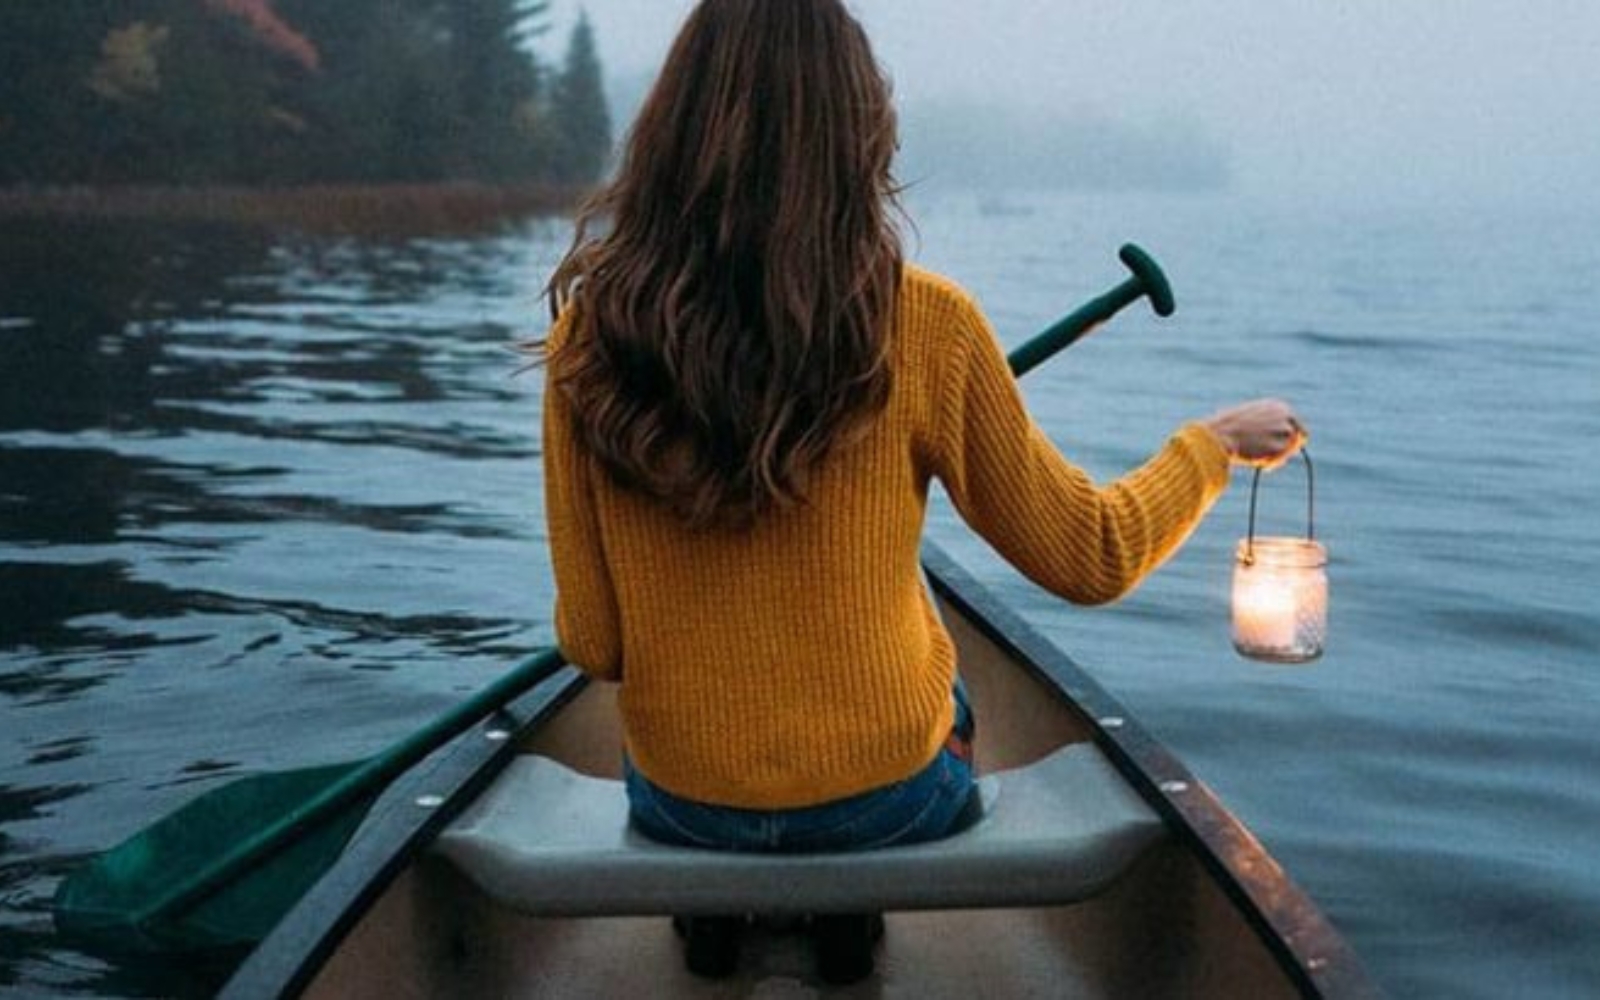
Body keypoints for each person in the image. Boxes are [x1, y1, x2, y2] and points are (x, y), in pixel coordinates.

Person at [536, 0, 1306, 985]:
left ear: (669, 134)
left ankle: (714, 916)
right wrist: (1208, 446)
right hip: (884, 802)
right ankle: (848, 922)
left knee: (702, 735)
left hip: (683, 803)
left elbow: (594, 644)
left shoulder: (588, 343)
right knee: (944, 683)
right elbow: (1090, 555)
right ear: (861, 133)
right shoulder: (928, 325)